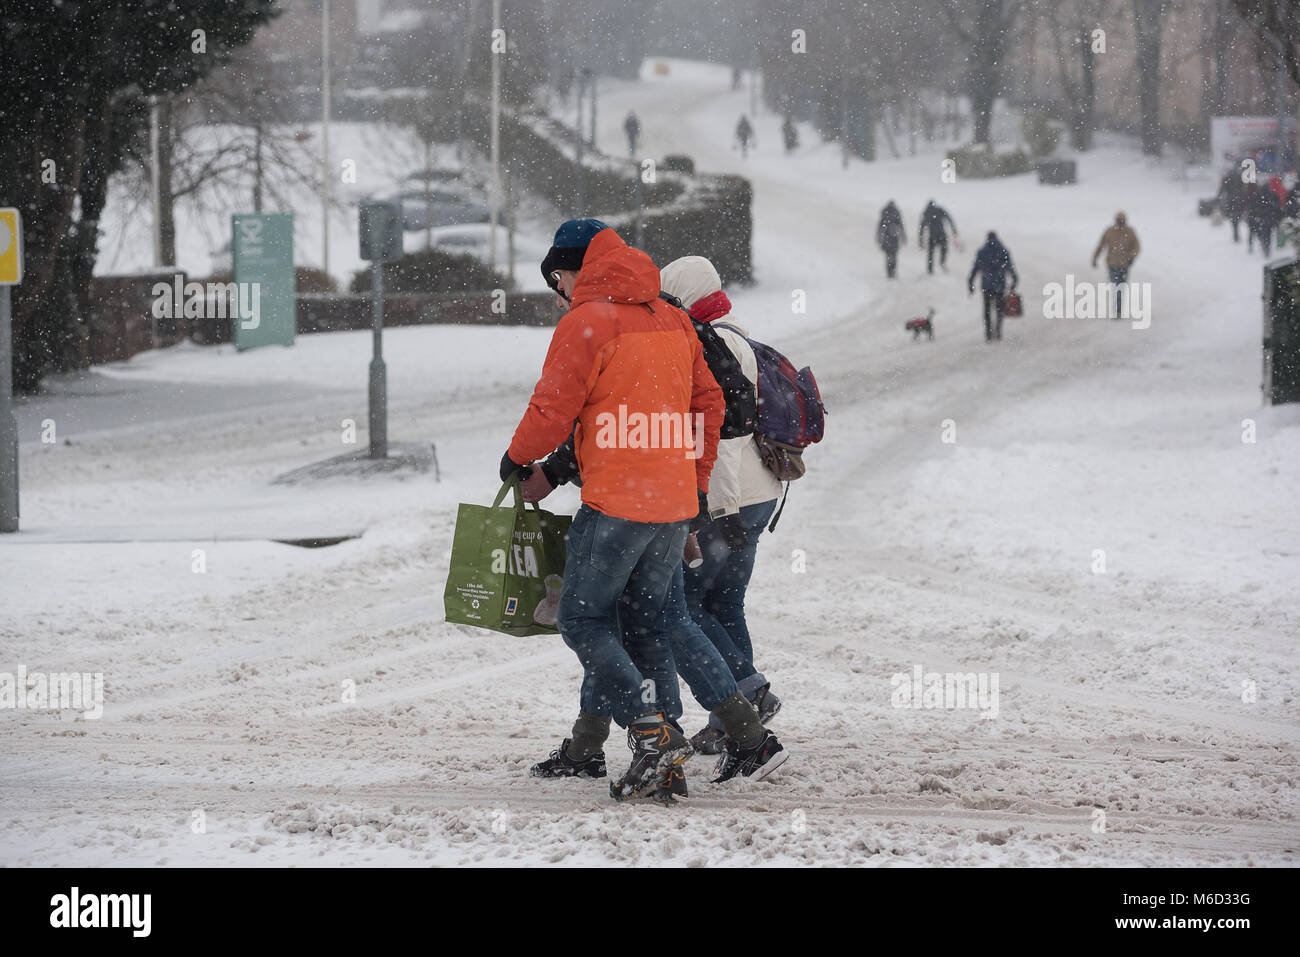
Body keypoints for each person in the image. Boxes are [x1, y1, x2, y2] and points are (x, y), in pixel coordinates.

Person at [500, 218, 723, 802]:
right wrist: (694, 484)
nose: (560, 290)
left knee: (582, 621)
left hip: (616, 504)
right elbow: (709, 403)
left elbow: (553, 406)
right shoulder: (672, 318)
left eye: (559, 277)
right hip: (671, 505)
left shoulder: (587, 322)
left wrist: (518, 459)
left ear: (575, 268)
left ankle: (649, 734)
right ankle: (666, 753)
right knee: (648, 625)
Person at [659, 255, 786, 756]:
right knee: (725, 604)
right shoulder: (737, 333)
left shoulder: (713, 344)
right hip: (758, 495)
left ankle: (750, 692)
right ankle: (728, 718)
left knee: (687, 607)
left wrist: (722, 509)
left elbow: (726, 435)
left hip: (727, 499)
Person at [968, 230, 1018, 342]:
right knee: (999, 308)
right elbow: (1010, 267)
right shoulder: (1003, 251)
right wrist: (1014, 280)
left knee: (987, 310)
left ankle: (988, 333)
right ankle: (998, 330)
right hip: (1000, 285)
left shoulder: (982, 252)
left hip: (986, 285)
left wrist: (970, 283)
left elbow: (975, 269)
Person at [1091, 212, 1140, 319]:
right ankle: (1117, 309)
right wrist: (1095, 257)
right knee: (1115, 286)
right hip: (1112, 264)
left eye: (1122, 220)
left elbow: (1136, 247)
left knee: (1121, 286)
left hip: (1124, 264)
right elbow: (1101, 245)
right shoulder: (1110, 231)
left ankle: (1118, 309)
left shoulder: (1130, 232)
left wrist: (1131, 257)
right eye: (1119, 220)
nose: (1120, 222)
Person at [918, 200, 958, 274]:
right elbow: (949, 218)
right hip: (941, 234)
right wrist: (954, 230)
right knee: (944, 249)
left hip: (932, 236)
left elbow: (921, 228)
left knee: (930, 253)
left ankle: (930, 269)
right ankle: (942, 262)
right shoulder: (939, 209)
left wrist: (920, 241)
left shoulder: (926, 212)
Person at [1247, 183, 1281, 256]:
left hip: (1260, 219)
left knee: (1261, 235)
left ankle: (1265, 247)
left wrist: (1253, 218)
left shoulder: (1256, 195)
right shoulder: (1272, 195)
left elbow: (1252, 209)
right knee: (1268, 235)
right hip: (1269, 219)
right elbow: (1277, 208)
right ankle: (1267, 248)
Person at [877, 201, 906, 279]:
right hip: (894, 237)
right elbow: (901, 226)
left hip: (887, 237)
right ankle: (893, 270)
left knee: (888, 255)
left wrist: (879, 238)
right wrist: (903, 237)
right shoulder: (896, 213)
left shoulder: (884, 213)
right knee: (894, 255)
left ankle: (889, 272)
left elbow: (880, 228)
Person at [1217, 172, 1246, 243]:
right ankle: (1236, 231)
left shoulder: (1227, 178)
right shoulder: (1240, 177)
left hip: (1231, 200)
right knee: (1237, 217)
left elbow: (1222, 189)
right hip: (1238, 200)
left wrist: (1218, 197)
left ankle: (1235, 232)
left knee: (1233, 218)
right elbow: (1244, 188)